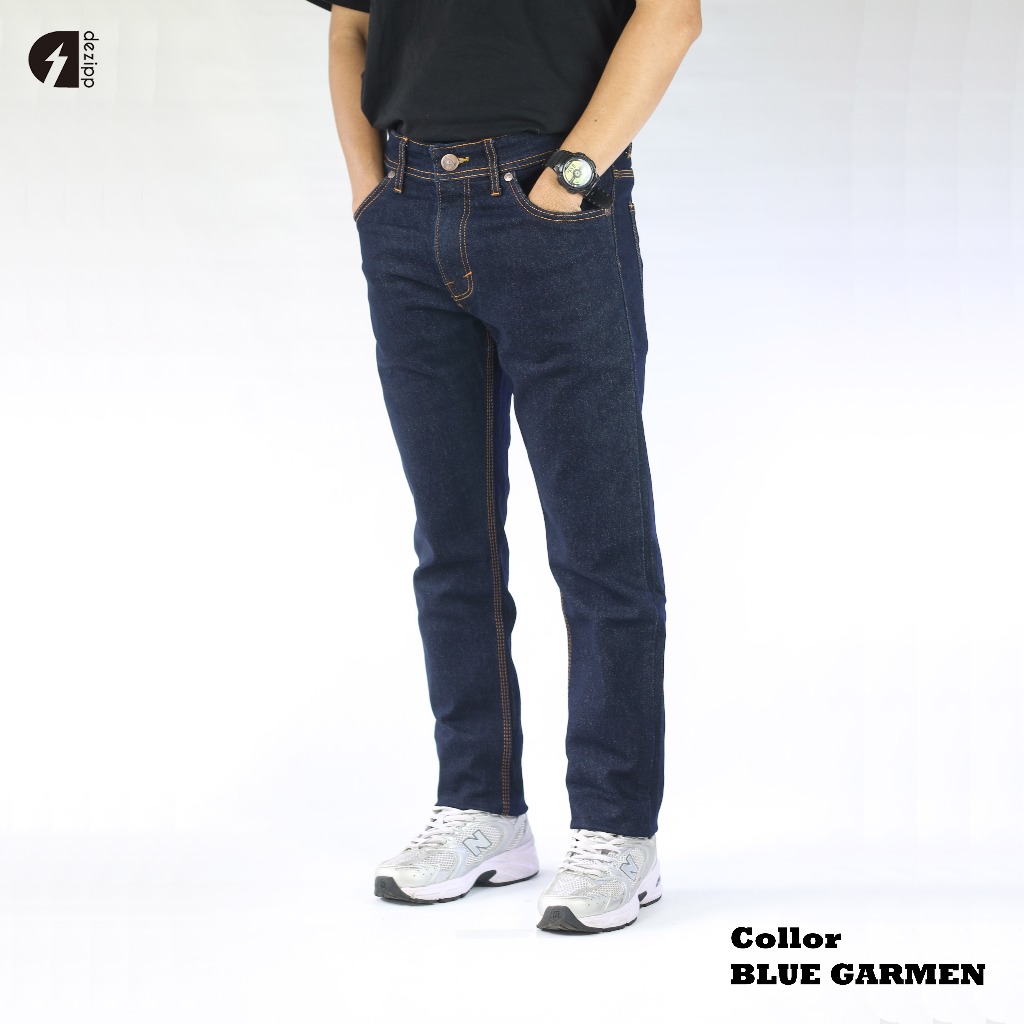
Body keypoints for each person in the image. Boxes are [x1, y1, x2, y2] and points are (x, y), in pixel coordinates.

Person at [305, 0, 701, 933]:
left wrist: (570, 177)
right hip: (407, 211)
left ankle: (617, 828)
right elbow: (351, 26)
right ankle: (482, 809)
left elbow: (672, 15)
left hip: (554, 205)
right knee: (453, 542)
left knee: (599, 545)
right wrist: (369, 186)